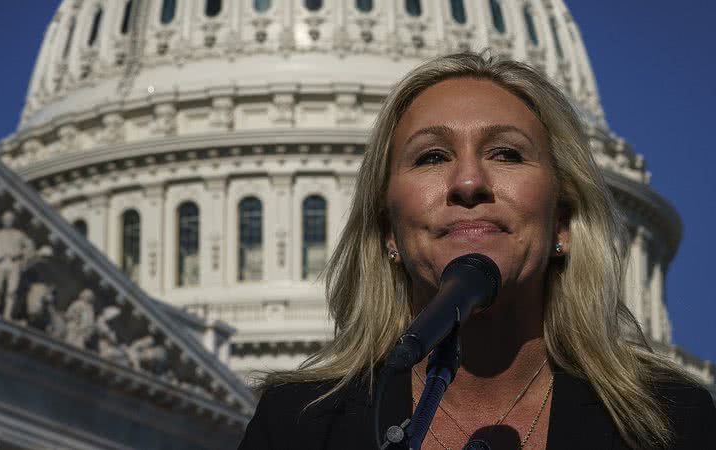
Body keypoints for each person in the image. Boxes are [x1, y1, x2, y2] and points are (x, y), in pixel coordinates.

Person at [237, 53, 716, 450]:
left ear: (563, 223)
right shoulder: (301, 428)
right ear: (388, 232)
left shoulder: (671, 426)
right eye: (432, 157)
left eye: (506, 153)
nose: (468, 182)